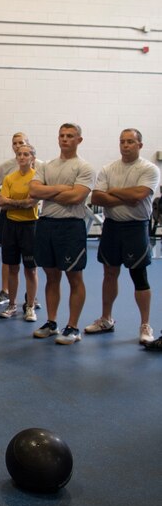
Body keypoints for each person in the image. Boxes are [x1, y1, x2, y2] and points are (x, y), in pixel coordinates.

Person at [86, 129, 160, 346]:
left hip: (136, 228)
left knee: (139, 276)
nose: (125, 145)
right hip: (112, 227)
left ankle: (145, 325)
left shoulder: (149, 169)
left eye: (130, 142)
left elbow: (138, 196)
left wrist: (113, 191)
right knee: (109, 274)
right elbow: (96, 197)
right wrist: (126, 195)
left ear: (140, 145)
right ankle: (106, 319)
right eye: (122, 141)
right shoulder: (108, 169)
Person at [28, 123, 95, 345]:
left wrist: (48, 191)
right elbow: (34, 190)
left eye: (70, 136)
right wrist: (63, 188)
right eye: (62, 135)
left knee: (74, 277)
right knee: (51, 276)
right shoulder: (46, 166)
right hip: (47, 225)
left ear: (79, 140)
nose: (65, 139)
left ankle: (73, 327)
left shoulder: (84, 167)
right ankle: (52, 322)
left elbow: (76, 197)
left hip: (71, 227)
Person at [0, 132, 30, 306]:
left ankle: (31, 295)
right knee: (8, 256)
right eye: (15, 143)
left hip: (30, 218)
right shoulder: (7, 167)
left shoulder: (39, 166)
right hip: (8, 216)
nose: (18, 146)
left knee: (30, 260)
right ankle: (5, 290)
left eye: (21, 142)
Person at [0, 143, 39, 322]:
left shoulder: (37, 178)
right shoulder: (9, 178)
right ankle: (12, 305)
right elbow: (2, 203)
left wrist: (12, 202)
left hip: (30, 227)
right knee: (13, 268)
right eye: (19, 154)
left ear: (32, 158)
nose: (22, 157)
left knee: (31, 269)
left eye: (26, 154)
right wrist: (21, 203)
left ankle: (30, 306)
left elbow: (32, 203)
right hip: (11, 226)